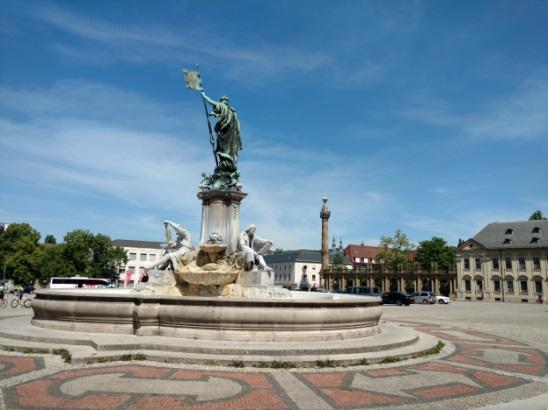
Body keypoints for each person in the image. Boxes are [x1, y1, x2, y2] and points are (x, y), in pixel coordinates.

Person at [200, 90, 243, 170]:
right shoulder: (231, 111)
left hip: (225, 134)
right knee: (229, 150)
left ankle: (225, 162)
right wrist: (215, 114)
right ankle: (227, 162)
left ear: (222, 101)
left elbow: (211, 102)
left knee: (223, 148)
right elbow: (223, 116)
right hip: (232, 135)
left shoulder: (222, 106)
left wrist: (203, 95)